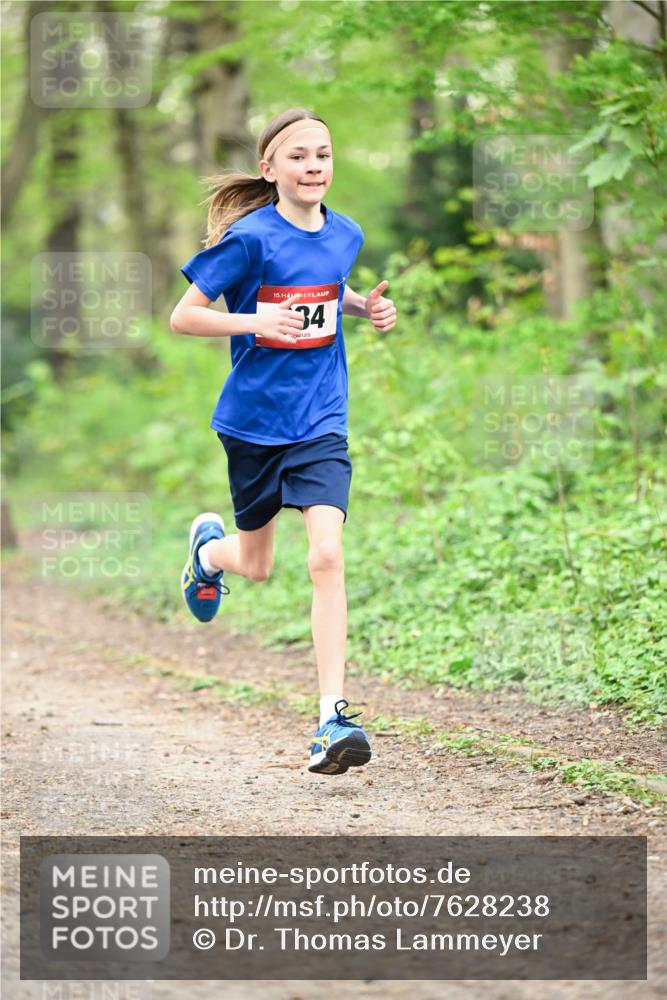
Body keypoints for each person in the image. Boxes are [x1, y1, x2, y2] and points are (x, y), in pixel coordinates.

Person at [170, 107, 397, 775]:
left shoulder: (346, 233)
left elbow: (327, 289)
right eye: (298, 156)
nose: (313, 166)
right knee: (258, 564)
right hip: (253, 424)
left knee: (326, 556)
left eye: (322, 154)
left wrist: (364, 306)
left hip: (321, 420)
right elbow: (184, 317)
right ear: (269, 169)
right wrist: (256, 321)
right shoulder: (248, 240)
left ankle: (332, 719)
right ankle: (209, 554)